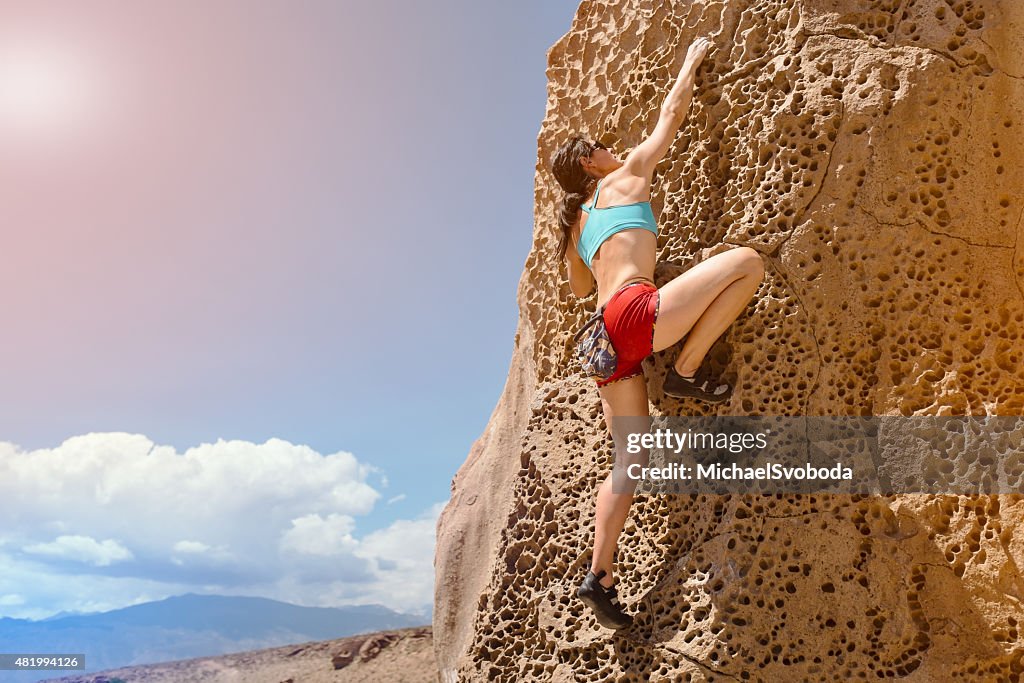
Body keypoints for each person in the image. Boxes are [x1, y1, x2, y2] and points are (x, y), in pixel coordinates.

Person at [548, 36, 765, 629]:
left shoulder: (576, 227)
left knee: (629, 459)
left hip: (600, 339)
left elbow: (575, 290)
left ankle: (598, 574)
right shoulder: (625, 179)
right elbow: (671, 116)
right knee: (748, 262)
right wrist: (691, 62)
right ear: (591, 163)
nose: (614, 149)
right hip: (634, 315)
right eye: (601, 147)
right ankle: (687, 370)